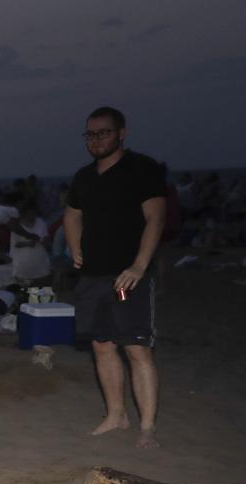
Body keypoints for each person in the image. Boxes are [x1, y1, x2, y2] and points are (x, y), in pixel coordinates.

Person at [64, 106, 166, 449]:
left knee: (136, 348)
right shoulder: (84, 177)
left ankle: (147, 426)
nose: (95, 141)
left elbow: (155, 218)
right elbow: (72, 215)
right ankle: (116, 414)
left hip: (129, 277)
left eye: (103, 133)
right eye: (90, 134)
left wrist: (139, 265)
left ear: (121, 133)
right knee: (102, 345)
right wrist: (74, 246)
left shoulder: (142, 169)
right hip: (93, 276)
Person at [10, 200, 51, 284]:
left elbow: (46, 239)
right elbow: (15, 244)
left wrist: (44, 241)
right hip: (22, 265)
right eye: (30, 213)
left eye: (33, 213)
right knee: (24, 293)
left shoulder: (41, 222)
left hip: (40, 263)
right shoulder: (17, 226)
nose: (32, 216)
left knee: (42, 293)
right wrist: (27, 243)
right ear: (24, 213)